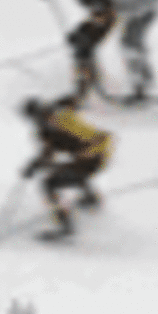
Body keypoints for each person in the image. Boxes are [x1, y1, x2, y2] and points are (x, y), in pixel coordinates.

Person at [20, 94, 113, 241]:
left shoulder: (65, 120)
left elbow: (104, 138)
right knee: (69, 172)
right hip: (81, 160)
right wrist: (35, 164)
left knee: (50, 184)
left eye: (42, 115)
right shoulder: (44, 131)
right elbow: (48, 152)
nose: (40, 120)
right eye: (35, 119)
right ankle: (90, 199)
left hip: (96, 158)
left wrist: (87, 153)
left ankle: (66, 227)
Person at [38, 0, 117, 102]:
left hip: (106, 18)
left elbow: (104, 14)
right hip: (96, 16)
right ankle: (86, 81)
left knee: (84, 47)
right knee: (79, 46)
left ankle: (85, 86)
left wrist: (84, 33)